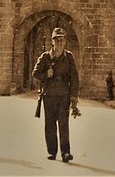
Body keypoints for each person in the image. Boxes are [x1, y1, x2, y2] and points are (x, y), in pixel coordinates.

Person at [32, 27, 79, 163]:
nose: (59, 42)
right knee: (50, 124)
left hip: (64, 94)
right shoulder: (45, 57)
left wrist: (74, 96)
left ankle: (66, 152)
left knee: (64, 124)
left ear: (65, 42)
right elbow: (35, 73)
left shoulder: (69, 57)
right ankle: (52, 151)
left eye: (61, 39)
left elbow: (75, 78)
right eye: (56, 39)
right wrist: (46, 75)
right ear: (52, 42)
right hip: (49, 94)